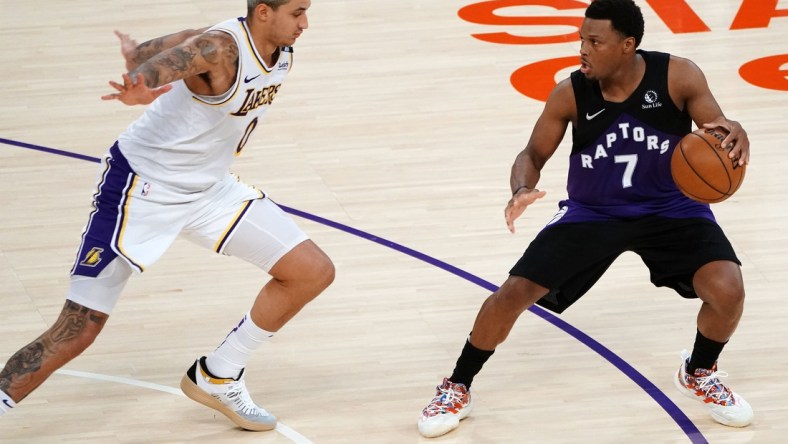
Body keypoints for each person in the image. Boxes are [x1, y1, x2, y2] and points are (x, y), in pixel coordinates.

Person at [417, 0, 753, 438]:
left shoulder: (678, 76)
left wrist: (734, 128)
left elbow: (717, 129)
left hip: (672, 210)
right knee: (512, 294)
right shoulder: (570, 92)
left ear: (627, 45)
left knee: (729, 290)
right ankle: (456, 384)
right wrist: (521, 188)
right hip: (594, 213)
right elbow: (533, 153)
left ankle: (699, 371)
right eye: (581, 38)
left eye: (594, 41)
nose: (582, 49)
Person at [0, 0, 333, 432]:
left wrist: (139, 53)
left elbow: (171, 45)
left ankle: (219, 374)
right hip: (142, 188)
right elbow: (178, 59)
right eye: (297, 12)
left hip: (209, 188)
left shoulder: (272, 45)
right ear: (264, 11)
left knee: (311, 271)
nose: (305, 23)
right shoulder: (219, 49)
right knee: (78, 329)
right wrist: (141, 83)